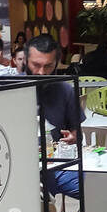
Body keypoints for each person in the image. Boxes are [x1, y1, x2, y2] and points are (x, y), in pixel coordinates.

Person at [27, 34, 83, 203]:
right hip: (21, 170)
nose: (41, 72)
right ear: (24, 61)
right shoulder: (11, 90)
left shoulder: (64, 90)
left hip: (56, 168)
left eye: (48, 66)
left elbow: (77, 133)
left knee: (98, 190)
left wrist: (73, 137)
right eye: (36, 65)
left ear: (57, 63)